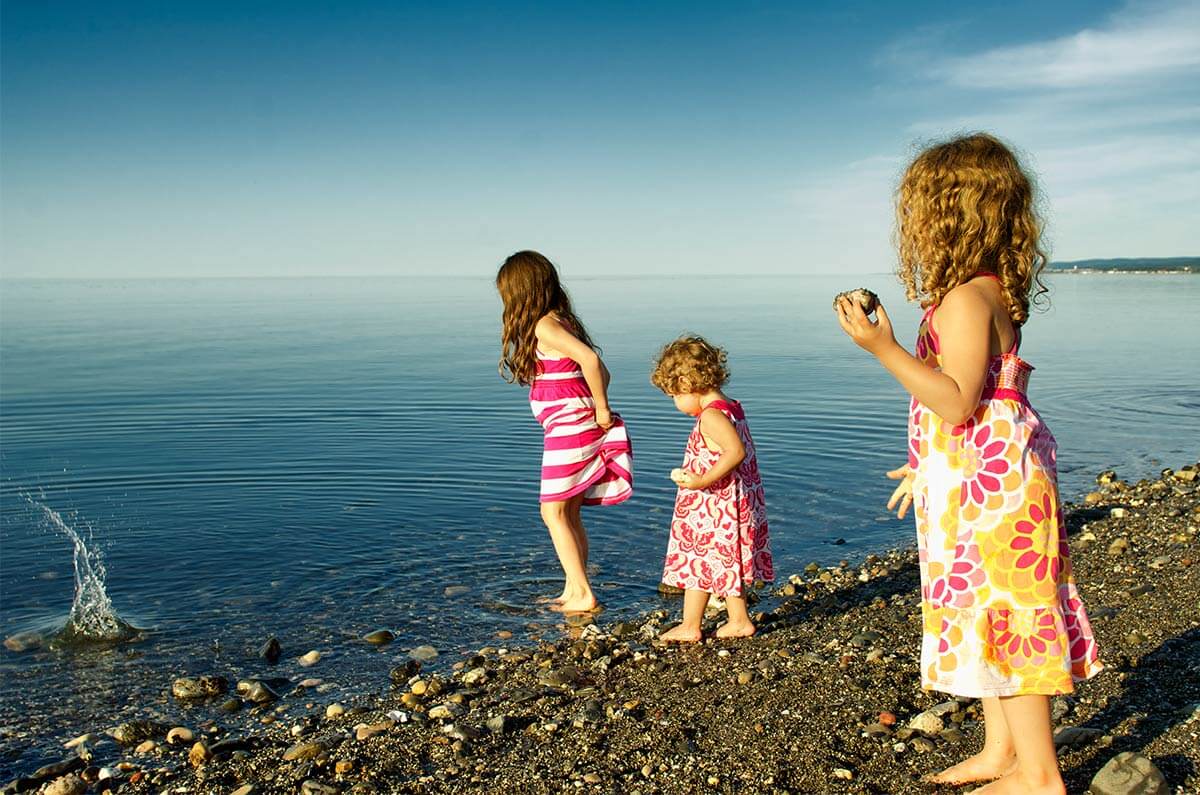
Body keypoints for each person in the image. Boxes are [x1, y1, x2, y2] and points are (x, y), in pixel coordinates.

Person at [835, 133, 1102, 794]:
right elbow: (981, 402)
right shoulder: (986, 293)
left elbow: (955, 402)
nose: (913, 229)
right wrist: (928, 464)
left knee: (1011, 618)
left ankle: (1039, 775)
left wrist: (882, 346)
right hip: (986, 476)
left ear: (948, 217)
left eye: (919, 215)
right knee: (987, 612)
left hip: (996, 491)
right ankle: (1000, 749)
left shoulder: (962, 301)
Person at [496, 250, 633, 614]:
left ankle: (584, 594)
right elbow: (601, 370)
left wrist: (600, 408)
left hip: (570, 429)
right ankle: (573, 588)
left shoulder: (544, 325)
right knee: (568, 513)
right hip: (572, 424)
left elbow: (592, 362)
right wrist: (596, 405)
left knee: (552, 513)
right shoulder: (561, 321)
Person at [650, 335, 773, 641]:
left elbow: (735, 452)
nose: (676, 404)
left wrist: (700, 480)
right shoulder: (732, 408)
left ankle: (700, 625)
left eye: (674, 396)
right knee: (715, 563)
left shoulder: (712, 416)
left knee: (699, 562)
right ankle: (728, 621)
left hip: (717, 506)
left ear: (685, 383)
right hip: (734, 502)